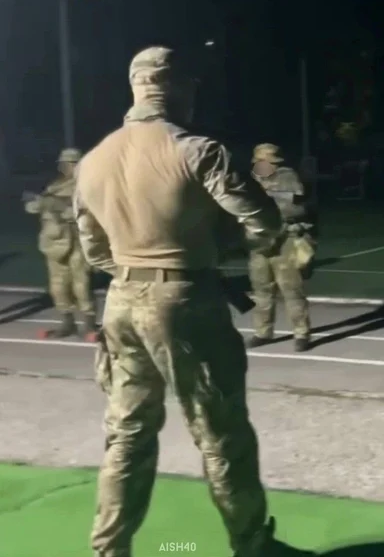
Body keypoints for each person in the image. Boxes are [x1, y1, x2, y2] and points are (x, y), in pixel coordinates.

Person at [74, 47, 316, 557]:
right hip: (184, 300)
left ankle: (109, 548)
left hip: (121, 301)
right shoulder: (196, 149)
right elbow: (262, 218)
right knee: (220, 433)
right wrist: (223, 243)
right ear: (177, 88)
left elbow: (94, 250)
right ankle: (251, 542)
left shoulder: (94, 160)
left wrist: (135, 269)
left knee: (127, 435)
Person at [247, 144, 316, 352]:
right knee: (262, 289)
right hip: (260, 240)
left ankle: (301, 333)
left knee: (291, 289)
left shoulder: (287, 176)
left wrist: (265, 201)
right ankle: (263, 332)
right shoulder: (252, 179)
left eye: (266, 161)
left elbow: (295, 208)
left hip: (285, 239)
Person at [24, 148, 97, 340]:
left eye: (72, 163)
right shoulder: (54, 186)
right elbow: (34, 207)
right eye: (65, 164)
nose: (68, 167)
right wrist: (38, 203)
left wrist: (57, 207)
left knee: (81, 285)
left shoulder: (86, 187)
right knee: (58, 286)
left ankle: (89, 323)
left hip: (77, 243)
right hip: (55, 244)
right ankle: (67, 322)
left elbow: (83, 212)